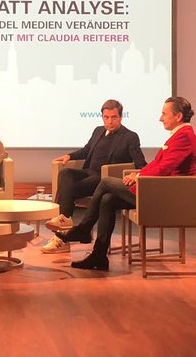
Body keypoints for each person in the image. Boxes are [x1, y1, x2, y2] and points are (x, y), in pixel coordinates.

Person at [56, 96, 196, 272]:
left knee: (106, 182)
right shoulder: (179, 135)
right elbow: (158, 165)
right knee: (107, 200)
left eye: (164, 114)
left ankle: (84, 229)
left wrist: (139, 175)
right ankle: (99, 256)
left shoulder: (184, 136)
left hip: (164, 194)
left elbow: (164, 168)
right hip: (158, 188)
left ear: (178, 116)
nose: (160, 118)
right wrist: (139, 173)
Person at [42, 98, 146, 253]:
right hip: (89, 172)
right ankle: (64, 219)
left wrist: (136, 173)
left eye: (114, 117)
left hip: (104, 179)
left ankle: (61, 237)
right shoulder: (98, 130)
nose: (109, 121)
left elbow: (140, 163)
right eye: (106, 117)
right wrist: (69, 156)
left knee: (67, 191)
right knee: (65, 173)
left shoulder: (130, 136)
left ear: (121, 117)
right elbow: (86, 150)